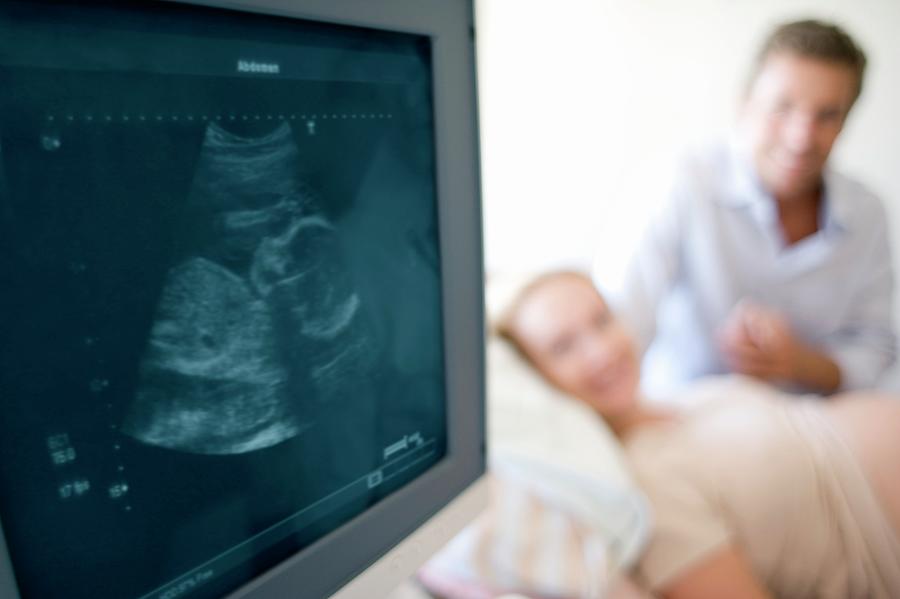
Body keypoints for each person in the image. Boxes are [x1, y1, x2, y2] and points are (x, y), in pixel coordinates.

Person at [498, 270, 900, 599]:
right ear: (538, 383)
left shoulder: (690, 395)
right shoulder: (646, 492)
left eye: (602, 320)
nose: (602, 351)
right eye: (563, 347)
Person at [600, 19, 896, 395]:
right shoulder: (679, 183)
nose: (801, 138)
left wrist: (800, 362)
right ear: (744, 103)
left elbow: (878, 349)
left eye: (827, 115)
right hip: (684, 415)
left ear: (846, 121)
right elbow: (617, 324)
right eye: (782, 107)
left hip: (812, 430)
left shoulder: (868, 213)